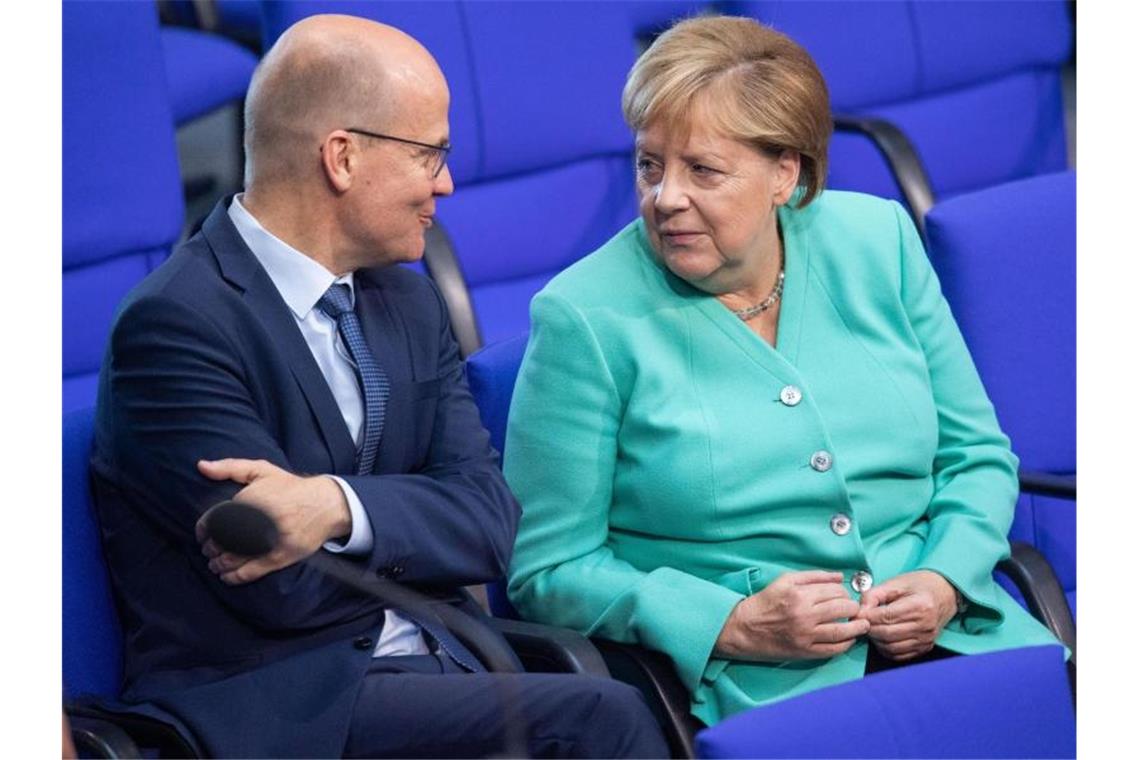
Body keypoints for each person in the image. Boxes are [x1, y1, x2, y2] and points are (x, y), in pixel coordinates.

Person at [91, 14, 666, 758]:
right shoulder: (175, 328)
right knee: (601, 719)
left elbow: (492, 524)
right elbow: (279, 584)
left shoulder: (408, 299)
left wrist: (334, 507)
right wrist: (421, 533)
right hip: (287, 707)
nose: (449, 184)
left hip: (441, 665)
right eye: (432, 154)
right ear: (343, 157)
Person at [504, 15, 1062, 727]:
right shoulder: (584, 317)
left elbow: (977, 455)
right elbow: (549, 570)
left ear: (785, 174)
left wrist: (945, 578)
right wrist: (729, 622)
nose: (665, 196)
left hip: (955, 642)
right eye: (650, 165)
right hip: (767, 690)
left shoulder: (877, 242)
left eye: (702, 169)